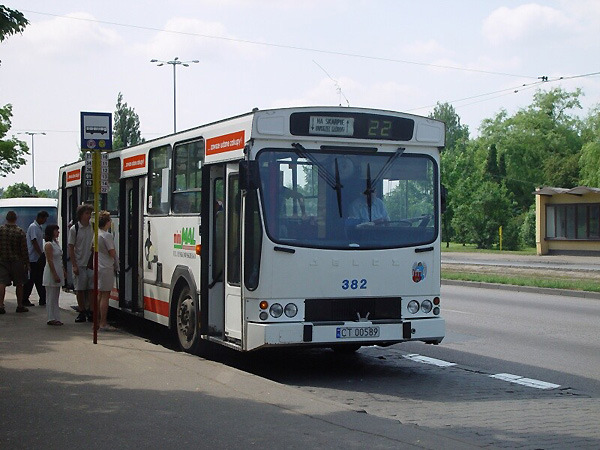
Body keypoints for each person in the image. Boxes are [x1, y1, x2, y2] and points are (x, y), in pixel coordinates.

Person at [67, 204, 94, 323]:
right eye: (87, 213)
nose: (89, 216)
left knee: (92, 289)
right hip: (80, 263)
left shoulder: (93, 227)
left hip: (91, 264)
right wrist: (74, 265)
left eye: (90, 213)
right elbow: (71, 247)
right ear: (81, 215)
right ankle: (82, 311)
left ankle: (91, 311)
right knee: (80, 289)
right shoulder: (75, 229)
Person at [0, 211, 30, 314]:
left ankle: (0, 305)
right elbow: (24, 249)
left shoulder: (1, 230)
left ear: (6, 218)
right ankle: (20, 305)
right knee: (19, 283)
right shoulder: (20, 232)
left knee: (2, 282)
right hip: (17, 261)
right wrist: (27, 262)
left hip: (2, 260)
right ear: (15, 219)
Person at [96, 211, 118, 331]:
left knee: (99, 294)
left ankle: (98, 320)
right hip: (107, 267)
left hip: (99, 266)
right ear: (107, 222)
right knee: (105, 296)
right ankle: (103, 323)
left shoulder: (96, 234)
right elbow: (112, 252)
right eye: (109, 220)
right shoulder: (107, 236)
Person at [23, 210, 49, 307]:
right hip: (33, 258)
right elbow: (34, 241)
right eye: (44, 219)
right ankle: (25, 298)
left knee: (38, 279)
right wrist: (41, 254)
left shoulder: (39, 227)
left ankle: (42, 298)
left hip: (36, 258)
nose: (45, 221)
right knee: (31, 280)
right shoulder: (33, 227)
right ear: (40, 218)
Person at [42, 224, 66, 326]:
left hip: (58, 269)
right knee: (51, 296)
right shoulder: (48, 244)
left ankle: (56, 317)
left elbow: (59, 259)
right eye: (56, 230)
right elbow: (50, 260)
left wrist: (63, 270)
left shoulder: (56, 243)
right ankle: (51, 317)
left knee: (56, 296)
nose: (58, 232)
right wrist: (55, 274)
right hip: (51, 272)